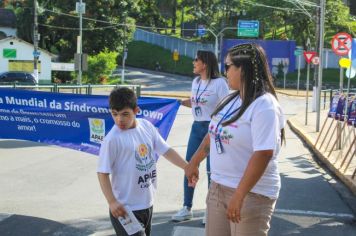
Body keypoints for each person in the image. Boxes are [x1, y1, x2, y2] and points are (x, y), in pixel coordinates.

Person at [185, 43, 285, 236]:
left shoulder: (264, 105)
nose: (225, 72)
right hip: (218, 187)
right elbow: (212, 133)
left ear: (244, 68)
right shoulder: (232, 99)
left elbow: (264, 153)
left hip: (251, 194)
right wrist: (194, 162)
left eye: (228, 67)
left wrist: (240, 195)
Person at [97, 87, 188, 236]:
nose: (120, 119)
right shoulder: (112, 139)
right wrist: (112, 201)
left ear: (136, 110)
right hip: (124, 209)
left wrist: (187, 167)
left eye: (125, 114)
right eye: (115, 114)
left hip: (147, 204)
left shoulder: (146, 126)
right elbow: (102, 173)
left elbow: (166, 150)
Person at [172, 50, 230, 223]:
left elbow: (226, 106)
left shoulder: (220, 83)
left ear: (204, 63)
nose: (193, 62)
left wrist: (219, 127)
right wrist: (180, 103)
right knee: (189, 166)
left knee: (212, 171)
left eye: (196, 60)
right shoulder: (196, 81)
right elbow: (196, 102)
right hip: (196, 127)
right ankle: (186, 207)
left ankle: (211, 210)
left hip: (212, 129)